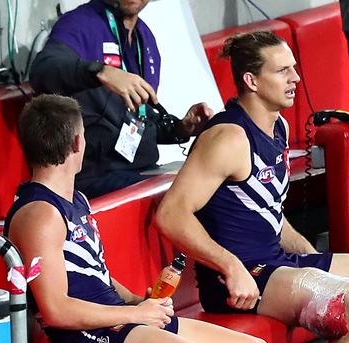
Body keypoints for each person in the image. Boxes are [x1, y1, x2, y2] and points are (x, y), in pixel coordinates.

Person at [155, 31, 349, 343]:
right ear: (251, 81)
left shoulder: (279, 126)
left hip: (278, 264)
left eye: (294, 68)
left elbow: (265, 210)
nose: (295, 78)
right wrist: (231, 266)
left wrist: (311, 257)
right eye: (282, 71)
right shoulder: (227, 137)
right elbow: (171, 214)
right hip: (241, 279)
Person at [5, 94, 274, 343]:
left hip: (119, 320)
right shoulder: (39, 213)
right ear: (77, 143)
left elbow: (96, 275)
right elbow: (56, 310)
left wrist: (139, 304)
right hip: (86, 337)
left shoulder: (76, 200)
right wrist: (134, 315)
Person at [29, 0, 213, 198]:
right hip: (96, 179)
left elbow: (139, 118)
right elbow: (42, 70)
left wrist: (180, 128)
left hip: (143, 171)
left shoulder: (146, 37)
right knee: (191, 190)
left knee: (211, 174)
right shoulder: (80, 23)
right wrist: (100, 71)